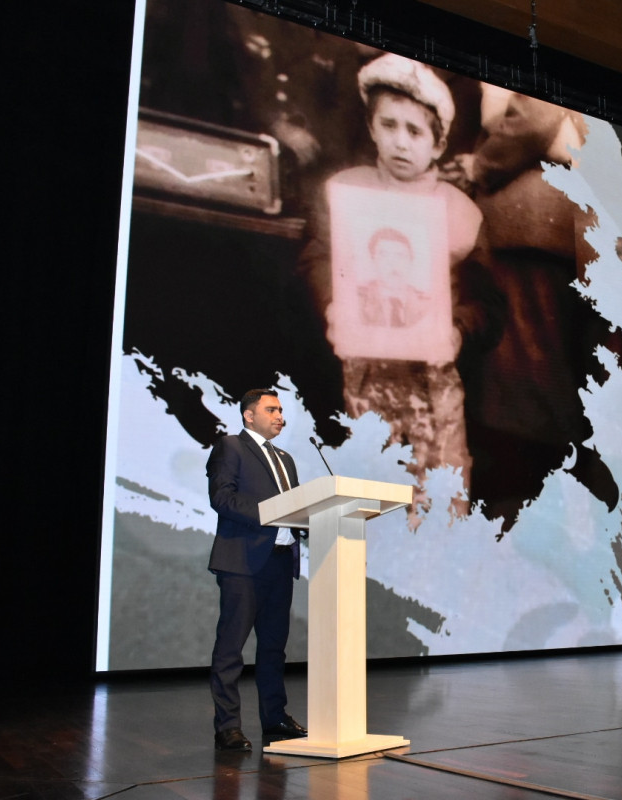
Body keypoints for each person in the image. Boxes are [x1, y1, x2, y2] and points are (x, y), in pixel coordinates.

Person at [297, 53, 499, 525]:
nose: (400, 142)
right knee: (367, 488)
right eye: (389, 125)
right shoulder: (346, 194)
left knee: (437, 495)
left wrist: (458, 330)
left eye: (415, 131)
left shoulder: (460, 211)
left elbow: (488, 302)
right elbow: (317, 258)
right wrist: (332, 304)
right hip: (363, 381)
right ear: (371, 128)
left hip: (433, 389)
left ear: (438, 144)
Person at [463, 89, 622, 534]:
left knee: (528, 380)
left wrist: (480, 166)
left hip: (538, 216)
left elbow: (538, 113)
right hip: (546, 221)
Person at [206, 389, 306, 751]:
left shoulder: (286, 459)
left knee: (274, 648)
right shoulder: (231, 446)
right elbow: (222, 497)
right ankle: (228, 726)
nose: (280, 416)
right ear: (249, 415)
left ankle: (274, 717)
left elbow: (297, 506)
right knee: (231, 649)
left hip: (280, 562)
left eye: (281, 410)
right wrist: (272, 512)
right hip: (243, 562)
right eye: (272, 409)